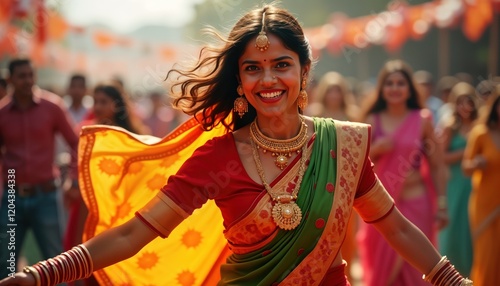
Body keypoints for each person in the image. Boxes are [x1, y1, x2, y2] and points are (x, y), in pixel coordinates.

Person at [0, 5, 472, 286]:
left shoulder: (341, 145)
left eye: (281, 65)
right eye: (253, 68)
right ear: (240, 79)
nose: (268, 80)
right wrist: (40, 274)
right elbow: (131, 235)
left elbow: (396, 228)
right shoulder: (218, 156)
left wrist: (454, 280)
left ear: (304, 71)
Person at [357, 59, 449, 286]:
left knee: (416, 268)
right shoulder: (371, 121)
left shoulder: (423, 119)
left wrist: (443, 204)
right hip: (380, 206)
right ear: (382, 89)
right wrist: (376, 149)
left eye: (400, 83)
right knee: (382, 270)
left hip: (417, 203)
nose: (395, 88)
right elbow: (358, 164)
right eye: (390, 83)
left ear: (409, 89)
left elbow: (437, 165)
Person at [0, 58, 79, 280]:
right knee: (6, 262)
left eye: (30, 75)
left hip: (46, 195)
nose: (27, 80)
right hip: (13, 196)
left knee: (55, 261)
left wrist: (73, 178)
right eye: (21, 76)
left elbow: (75, 143)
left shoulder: (51, 107)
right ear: (10, 79)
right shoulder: (2, 113)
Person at [438, 82, 478, 277]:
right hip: (455, 183)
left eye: (468, 101)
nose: (465, 106)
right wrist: (466, 152)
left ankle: (474, 273)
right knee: (453, 228)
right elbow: (440, 156)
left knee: (472, 227)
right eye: (461, 102)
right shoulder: (450, 127)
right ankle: (453, 275)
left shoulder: (481, 126)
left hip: (475, 183)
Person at [462, 88, 500, 286]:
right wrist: (476, 163)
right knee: (487, 255)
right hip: (485, 204)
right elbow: (465, 167)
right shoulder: (481, 133)